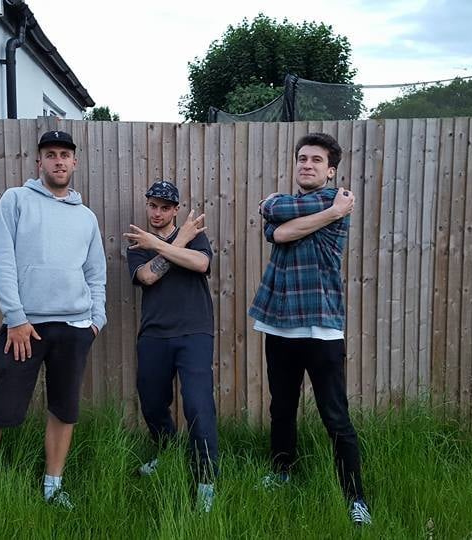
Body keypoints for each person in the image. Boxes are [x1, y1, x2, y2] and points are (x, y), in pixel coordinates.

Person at [0, 130, 106, 510]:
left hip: (75, 329)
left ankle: (53, 489)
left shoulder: (86, 218)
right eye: (51, 154)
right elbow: (0, 260)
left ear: (75, 162)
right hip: (24, 329)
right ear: (39, 162)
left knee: (64, 411)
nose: (58, 161)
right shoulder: (17, 200)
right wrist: (16, 318)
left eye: (65, 155)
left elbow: (95, 273)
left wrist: (96, 321)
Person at [248, 132, 371, 526]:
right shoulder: (328, 207)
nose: (307, 164)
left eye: (316, 160)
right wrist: (316, 216)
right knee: (281, 408)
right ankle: (282, 472)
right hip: (279, 324)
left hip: (320, 328)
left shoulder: (337, 198)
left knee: (335, 416)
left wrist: (275, 211)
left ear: (330, 170)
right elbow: (277, 228)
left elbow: (276, 217)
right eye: (302, 158)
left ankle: (355, 498)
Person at [123, 180, 218, 512]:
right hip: (154, 334)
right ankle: (167, 452)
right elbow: (148, 277)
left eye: (165, 207)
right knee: (151, 402)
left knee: (198, 405)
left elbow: (201, 264)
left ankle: (206, 482)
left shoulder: (197, 236)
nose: (157, 213)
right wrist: (170, 242)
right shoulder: (139, 243)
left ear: (176, 210)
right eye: (153, 206)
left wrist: (164, 244)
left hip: (194, 333)